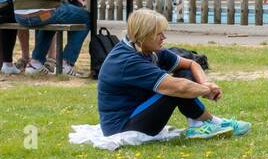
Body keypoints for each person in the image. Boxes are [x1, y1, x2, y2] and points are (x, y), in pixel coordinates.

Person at [97, 8, 251, 139]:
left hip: (138, 112)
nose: (164, 37)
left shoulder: (144, 48)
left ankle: (197, 124)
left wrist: (205, 83)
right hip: (122, 128)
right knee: (174, 89)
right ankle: (213, 122)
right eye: (159, 33)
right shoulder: (128, 61)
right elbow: (180, 88)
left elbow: (192, 63)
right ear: (143, 35)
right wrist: (207, 91)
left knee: (182, 73)